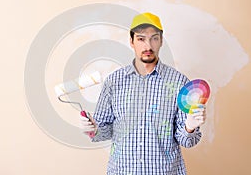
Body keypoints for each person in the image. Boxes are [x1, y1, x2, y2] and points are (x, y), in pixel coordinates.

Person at [80, 12, 206, 175]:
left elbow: (187, 142)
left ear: (161, 41)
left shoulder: (179, 83)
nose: (148, 46)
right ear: (131, 41)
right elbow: (103, 132)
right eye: (141, 39)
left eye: (154, 38)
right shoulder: (114, 82)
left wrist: (189, 128)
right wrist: (92, 128)